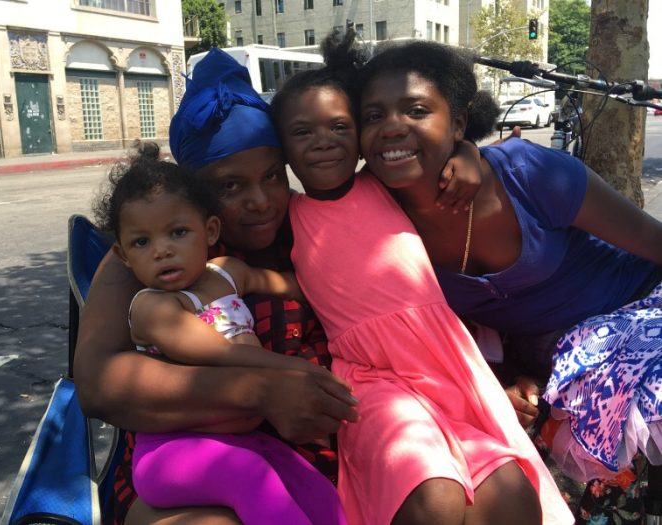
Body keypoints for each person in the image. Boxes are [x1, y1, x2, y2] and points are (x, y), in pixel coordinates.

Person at [74, 47, 476, 525]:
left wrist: (466, 153)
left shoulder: (311, 227)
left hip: (326, 451)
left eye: (271, 176)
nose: (261, 201)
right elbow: (98, 386)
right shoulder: (150, 261)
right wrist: (257, 391)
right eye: (230, 187)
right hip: (194, 459)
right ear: (195, 195)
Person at [269, 30, 572, 525]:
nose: (323, 141)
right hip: (373, 377)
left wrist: (469, 152)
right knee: (433, 496)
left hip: (443, 365)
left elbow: (433, 152)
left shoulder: (386, 186)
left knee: (512, 489)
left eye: (340, 126)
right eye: (302, 132)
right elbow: (299, 279)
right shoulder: (290, 215)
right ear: (282, 147)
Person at [354, 38, 662, 523]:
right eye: (372, 116)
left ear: (457, 122)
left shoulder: (526, 172)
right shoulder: (373, 215)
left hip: (637, 312)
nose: (392, 127)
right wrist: (508, 381)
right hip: (556, 368)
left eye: (415, 110)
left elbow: (653, 241)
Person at [92, 148, 347, 525]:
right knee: (253, 479)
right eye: (142, 243)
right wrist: (296, 372)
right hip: (171, 452)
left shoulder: (227, 273)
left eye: (178, 233)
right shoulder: (155, 308)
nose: (162, 250)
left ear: (208, 231)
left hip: (242, 442)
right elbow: (224, 354)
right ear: (124, 255)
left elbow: (295, 286)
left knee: (312, 488)